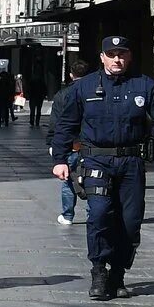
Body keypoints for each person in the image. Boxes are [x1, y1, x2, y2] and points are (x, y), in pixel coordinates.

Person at [50, 35, 154, 300]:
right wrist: (59, 159)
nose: (117, 59)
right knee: (99, 214)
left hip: (131, 162)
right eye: (111, 54)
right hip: (96, 159)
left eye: (121, 54)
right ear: (102, 58)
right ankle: (99, 270)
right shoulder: (84, 87)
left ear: (129, 57)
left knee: (130, 221)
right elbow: (65, 125)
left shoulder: (143, 85)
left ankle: (118, 273)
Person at [52, 58, 91, 225]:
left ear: (70, 75)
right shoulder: (95, 91)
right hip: (91, 144)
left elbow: (56, 122)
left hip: (71, 145)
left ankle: (68, 215)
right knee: (94, 181)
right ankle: (93, 215)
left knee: (68, 180)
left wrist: (53, 144)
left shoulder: (62, 94)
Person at [25, 68, 49, 132]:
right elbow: (45, 89)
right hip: (39, 97)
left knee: (32, 110)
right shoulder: (41, 81)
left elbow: (28, 89)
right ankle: (37, 122)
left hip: (33, 97)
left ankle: (32, 120)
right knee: (38, 110)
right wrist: (44, 95)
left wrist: (29, 95)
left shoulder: (32, 81)